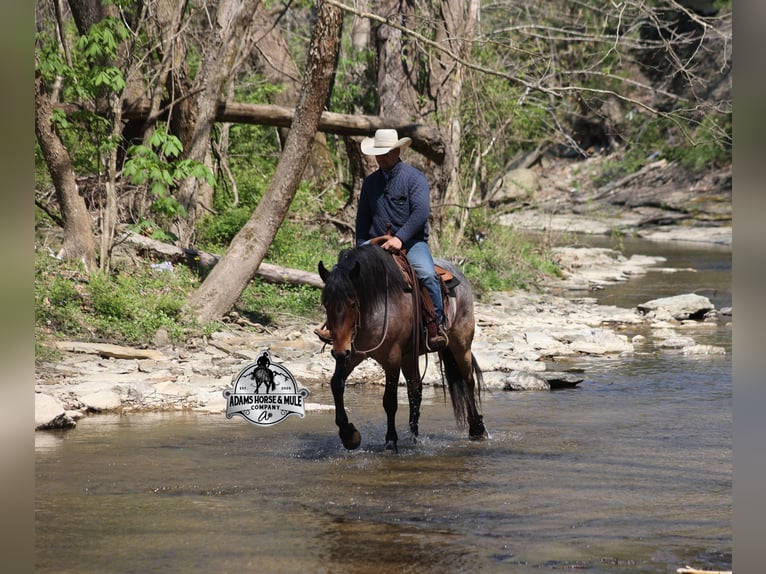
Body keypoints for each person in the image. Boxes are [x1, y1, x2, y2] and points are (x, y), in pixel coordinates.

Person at [316, 129, 448, 351]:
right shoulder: (370, 183)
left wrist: (400, 239)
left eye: (386, 153)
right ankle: (334, 325)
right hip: (375, 244)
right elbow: (362, 218)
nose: (381, 157)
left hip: (411, 243)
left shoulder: (414, 178)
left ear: (397, 151)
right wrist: (361, 247)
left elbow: (420, 213)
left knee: (426, 273)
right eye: (378, 153)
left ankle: (436, 324)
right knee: (340, 274)